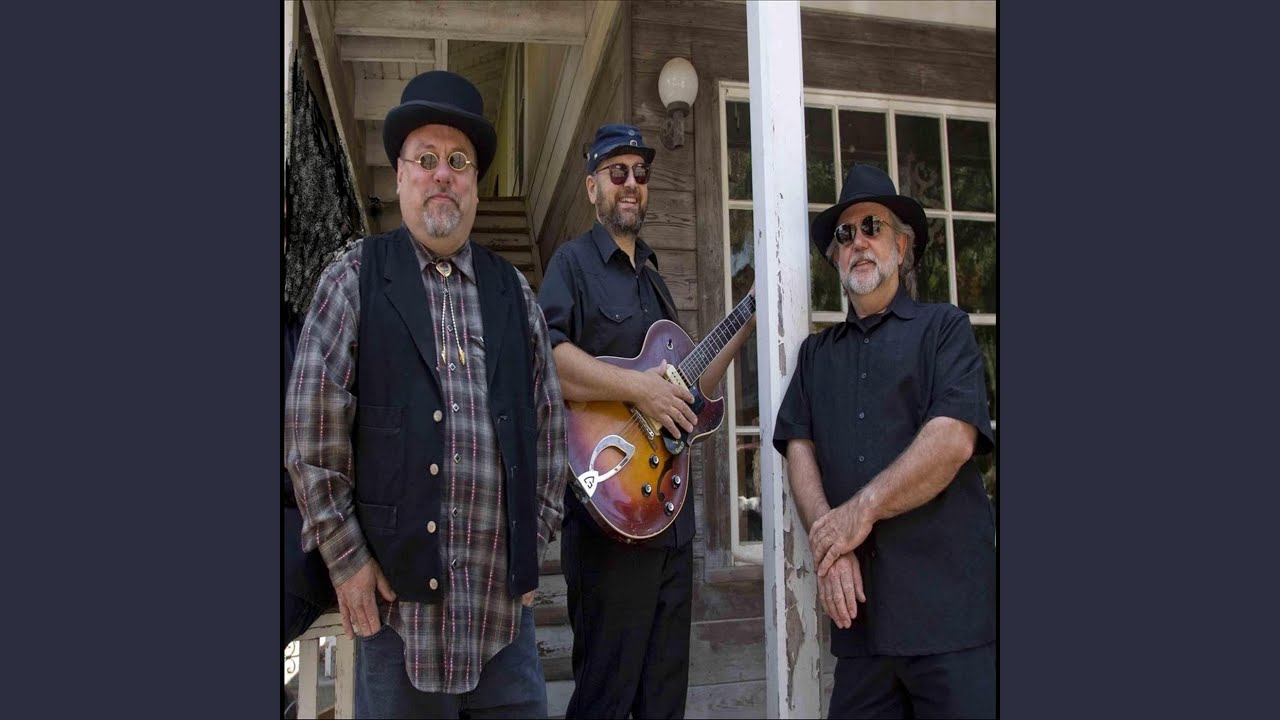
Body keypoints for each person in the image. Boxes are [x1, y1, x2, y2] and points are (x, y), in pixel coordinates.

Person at [285, 69, 567, 719]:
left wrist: (531, 543)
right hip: (398, 628)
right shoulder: (353, 277)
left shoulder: (514, 294)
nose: (443, 173)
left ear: (475, 183)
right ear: (401, 176)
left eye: (459, 161)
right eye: (427, 158)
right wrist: (347, 560)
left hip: (503, 628)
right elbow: (309, 432)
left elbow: (551, 431)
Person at [537, 123, 755, 719]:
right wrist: (642, 390)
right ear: (592, 188)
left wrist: (745, 323)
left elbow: (686, 392)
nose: (631, 183)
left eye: (640, 173)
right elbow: (548, 361)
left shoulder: (655, 279)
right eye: (618, 173)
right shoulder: (572, 264)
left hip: (670, 521)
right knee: (606, 700)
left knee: (663, 702)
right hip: (607, 517)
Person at [772, 163, 996, 718]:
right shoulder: (815, 357)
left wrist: (859, 513)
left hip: (951, 624)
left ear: (901, 245)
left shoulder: (945, 329)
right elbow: (798, 446)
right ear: (836, 258)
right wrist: (830, 547)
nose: (859, 242)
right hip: (863, 630)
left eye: (872, 227)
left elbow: (953, 440)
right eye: (845, 234)